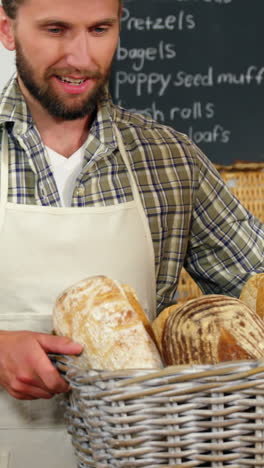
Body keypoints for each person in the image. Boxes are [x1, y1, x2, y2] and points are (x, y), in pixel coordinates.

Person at [0, 0, 263, 466]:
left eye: (100, 29)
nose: (81, 57)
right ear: (8, 30)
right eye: (56, 29)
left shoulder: (170, 160)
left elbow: (255, 281)